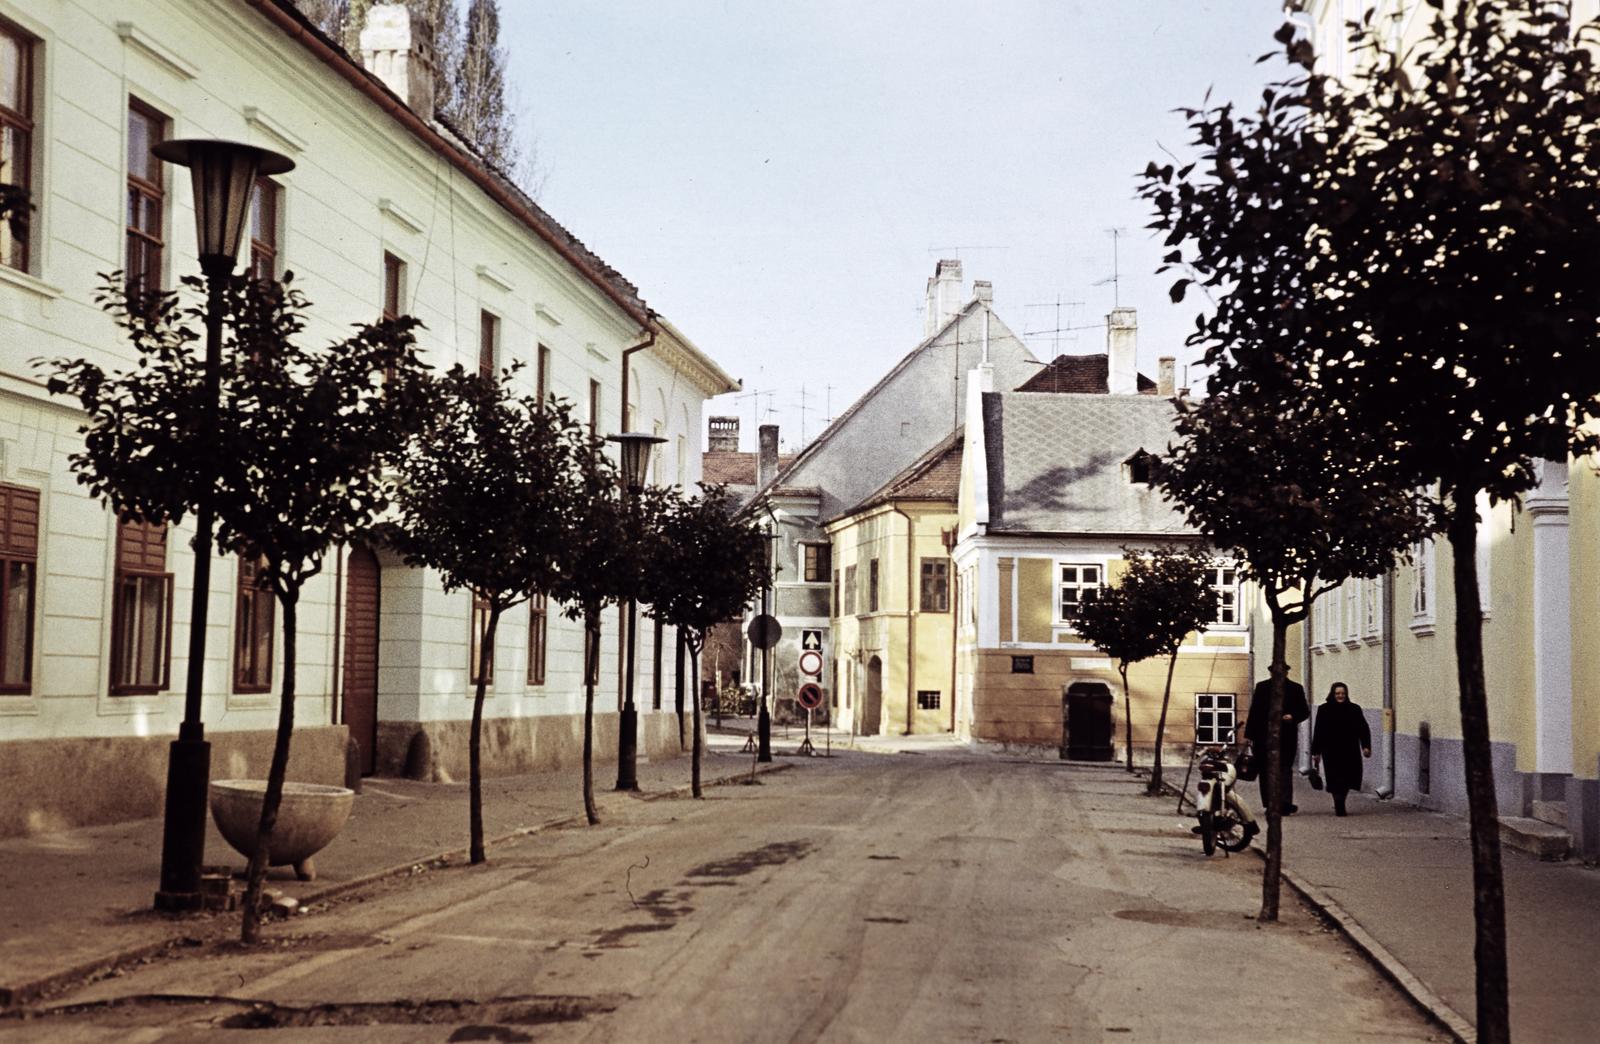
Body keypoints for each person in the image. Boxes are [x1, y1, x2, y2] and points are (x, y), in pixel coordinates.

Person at [1244, 663, 1310, 815]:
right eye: (1274, 672)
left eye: (1281, 672)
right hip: (1263, 737)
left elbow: (1304, 711)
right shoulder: (1262, 687)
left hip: (1286, 736)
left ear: (1286, 673)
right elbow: (1254, 712)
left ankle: (1285, 804)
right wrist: (1249, 735)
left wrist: (1292, 716)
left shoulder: (1295, 688)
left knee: (1285, 770)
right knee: (1265, 770)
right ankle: (1270, 804)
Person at [1310, 682, 1372, 816]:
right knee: (1334, 778)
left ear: (1346, 694)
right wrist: (1316, 752)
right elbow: (1318, 731)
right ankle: (1339, 803)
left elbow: (1363, 728)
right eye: (1337, 693)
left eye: (1343, 693)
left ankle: (1341, 800)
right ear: (1333, 694)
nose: (1340, 696)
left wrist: (1366, 746)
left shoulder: (1354, 709)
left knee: (1347, 777)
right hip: (1330, 750)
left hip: (1350, 749)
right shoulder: (1324, 709)